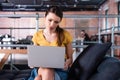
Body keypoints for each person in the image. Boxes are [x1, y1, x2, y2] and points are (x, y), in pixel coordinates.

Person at [32, 6, 73, 80]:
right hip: (42, 68)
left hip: (59, 69)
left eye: (56, 22)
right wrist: (32, 63)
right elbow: (35, 59)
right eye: (50, 20)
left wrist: (67, 63)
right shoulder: (37, 35)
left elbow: (70, 59)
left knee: (38, 78)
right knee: (47, 71)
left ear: (59, 21)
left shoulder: (65, 35)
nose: (52, 24)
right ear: (45, 16)